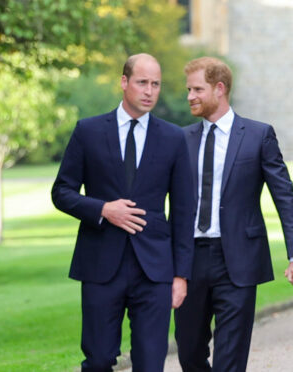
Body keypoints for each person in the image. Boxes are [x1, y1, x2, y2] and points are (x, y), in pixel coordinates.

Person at [51, 53, 195, 372]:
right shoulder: (87, 131)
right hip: (101, 265)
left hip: (154, 270)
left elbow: (184, 212)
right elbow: (61, 192)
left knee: (150, 363)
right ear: (124, 82)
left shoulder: (173, 138)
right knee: (99, 359)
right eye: (142, 82)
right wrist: (102, 208)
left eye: (156, 84)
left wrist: (181, 274)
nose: (149, 91)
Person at [174, 56, 293, 372]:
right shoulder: (180, 139)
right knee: (189, 351)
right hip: (189, 259)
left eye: (196, 89)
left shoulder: (258, 135)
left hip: (237, 258)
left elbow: (284, 197)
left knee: (230, 357)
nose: (189, 96)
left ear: (219, 88)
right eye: (188, 89)